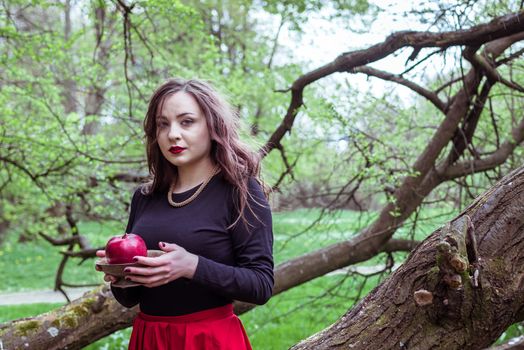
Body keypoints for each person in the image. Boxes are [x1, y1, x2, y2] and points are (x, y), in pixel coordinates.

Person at [95, 78, 274, 350]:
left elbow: (260, 285)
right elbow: (130, 299)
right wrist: (119, 274)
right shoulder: (145, 197)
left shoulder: (240, 191)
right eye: (163, 124)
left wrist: (191, 266)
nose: (172, 134)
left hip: (209, 340)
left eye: (186, 121)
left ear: (213, 126)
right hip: (149, 339)